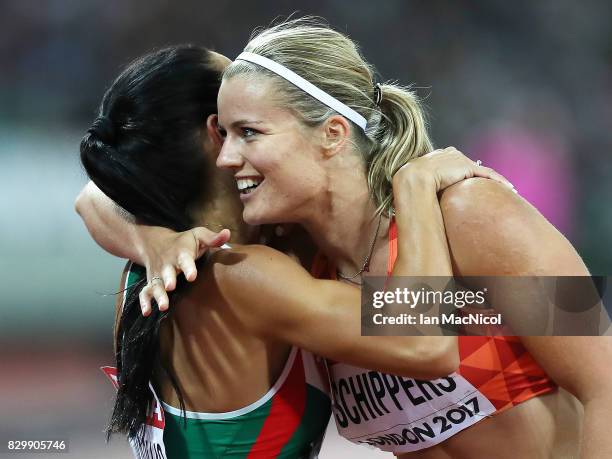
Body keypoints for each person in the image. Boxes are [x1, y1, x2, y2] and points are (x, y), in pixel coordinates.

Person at [78, 19, 612, 458]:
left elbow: (604, 383)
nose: (228, 156)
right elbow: (97, 193)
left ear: (332, 133)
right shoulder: (301, 261)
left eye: (249, 133)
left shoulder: (469, 217)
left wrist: (415, 185)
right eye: (223, 133)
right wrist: (152, 242)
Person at [78, 44, 469, 459]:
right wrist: (416, 190)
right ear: (217, 131)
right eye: (241, 120)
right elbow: (425, 343)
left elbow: (90, 197)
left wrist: (149, 241)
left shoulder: (153, 261)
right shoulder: (238, 273)